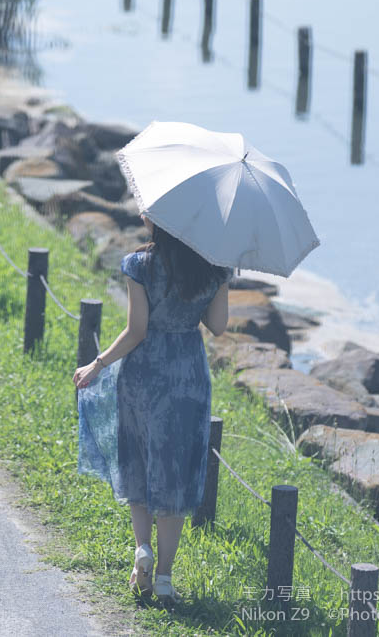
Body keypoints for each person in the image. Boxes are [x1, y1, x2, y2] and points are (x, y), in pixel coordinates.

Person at [72, 216, 231, 602]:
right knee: (175, 472)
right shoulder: (212, 267)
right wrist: (222, 278)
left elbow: (136, 331)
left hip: (142, 374)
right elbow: (219, 325)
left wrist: (98, 364)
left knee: (139, 461)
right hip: (187, 378)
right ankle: (163, 577)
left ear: (156, 220)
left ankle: (142, 548)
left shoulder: (139, 264)